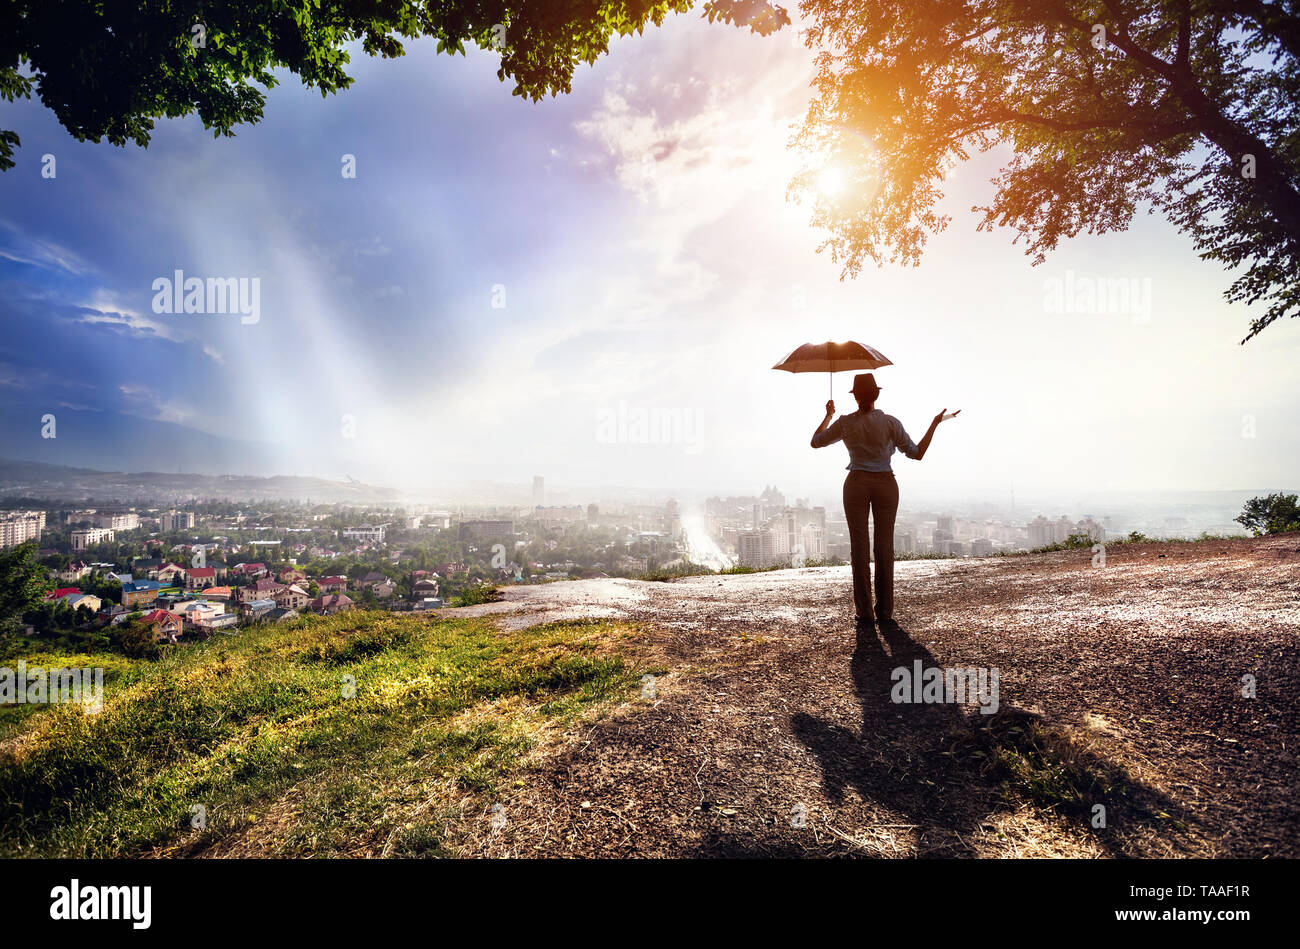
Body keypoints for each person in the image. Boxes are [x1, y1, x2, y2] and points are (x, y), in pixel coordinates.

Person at [810, 373, 958, 628]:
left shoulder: (845, 423)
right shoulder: (890, 423)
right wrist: (934, 424)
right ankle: (885, 611)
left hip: (856, 484)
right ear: (876, 395)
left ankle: (864, 611)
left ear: (855, 397)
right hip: (886, 485)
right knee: (884, 548)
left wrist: (828, 415)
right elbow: (917, 453)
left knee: (859, 549)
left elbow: (816, 442)